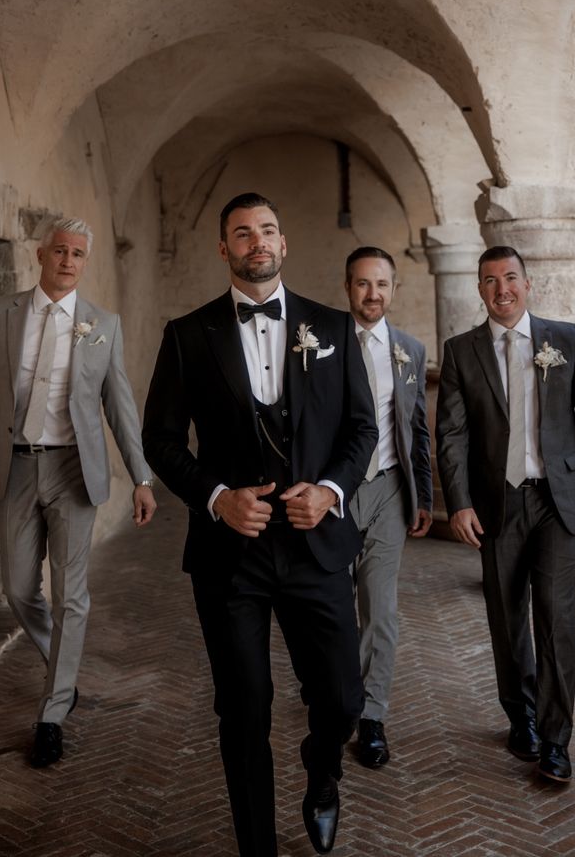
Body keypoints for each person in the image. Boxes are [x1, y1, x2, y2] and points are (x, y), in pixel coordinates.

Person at [143, 193, 377, 857]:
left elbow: (363, 426)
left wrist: (330, 491)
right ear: (224, 248)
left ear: (284, 241)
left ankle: (322, 772)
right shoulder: (189, 335)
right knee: (243, 707)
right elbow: (159, 439)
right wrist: (216, 497)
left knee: (341, 698)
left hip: (316, 543)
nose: (257, 242)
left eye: (267, 229)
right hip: (230, 554)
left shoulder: (331, 326)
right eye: (242, 233)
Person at [0, 216, 156, 768]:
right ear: (41, 255)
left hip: (74, 472)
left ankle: (53, 710)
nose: (68, 260)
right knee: (19, 589)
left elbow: (120, 409)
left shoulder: (102, 325)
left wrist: (140, 477)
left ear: (84, 263)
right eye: (60, 250)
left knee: (70, 594)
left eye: (79, 254)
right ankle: (61, 665)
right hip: (14, 466)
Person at [436, 245, 575, 783]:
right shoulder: (461, 350)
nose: (501, 289)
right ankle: (521, 717)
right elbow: (451, 434)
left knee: (557, 617)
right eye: (489, 281)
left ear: (527, 282)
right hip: (498, 501)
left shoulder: (565, 339)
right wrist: (460, 502)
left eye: (510, 278)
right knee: (506, 613)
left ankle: (556, 737)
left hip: (558, 498)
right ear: (480, 289)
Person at [344, 247, 433, 769]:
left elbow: (416, 427)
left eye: (381, 284)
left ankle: (372, 717)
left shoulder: (410, 350)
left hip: (391, 490)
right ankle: (337, 698)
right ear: (348, 287)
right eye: (362, 284)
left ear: (393, 289)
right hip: (335, 492)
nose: (372, 294)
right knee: (332, 604)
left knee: (380, 608)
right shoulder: (322, 343)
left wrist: (421, 494)